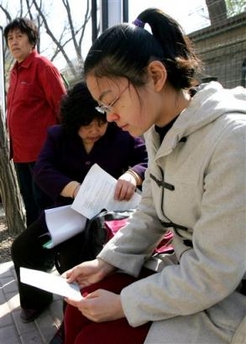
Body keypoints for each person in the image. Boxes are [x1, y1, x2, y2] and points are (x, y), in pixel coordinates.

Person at [63, 8, 246, 344]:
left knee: (96, 337)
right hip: (183, 272)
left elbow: (216, 272)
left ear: (155, 75)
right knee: (78, 306)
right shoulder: (158, 131)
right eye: (103, 108)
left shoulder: (233, 139)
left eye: (111, 100)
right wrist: (105, 262)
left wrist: (125, 304)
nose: (111, 117)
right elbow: (150, 211)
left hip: (227, 298)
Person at [11, 81, 148, 325]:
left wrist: (132, 175)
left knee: (75, 264)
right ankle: (37, 300)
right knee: (23, 248)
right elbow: (42, 169)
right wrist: (74, 189)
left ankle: (73, 321)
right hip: (66, 213)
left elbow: (147, 158)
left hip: (103, 217)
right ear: (73, 122)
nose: (94, 131)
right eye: (86, 126)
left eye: (100, 123)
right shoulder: (57, 136)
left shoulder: (121, 134)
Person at [4, 18, 66, 226]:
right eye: (10, 38)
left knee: (45, 205)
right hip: (21, 154)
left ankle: (50, 255)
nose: (14, 42)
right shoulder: (14, 71)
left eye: (19, 36)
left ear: (32, 40)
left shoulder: (42, 66)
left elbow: (62, 107)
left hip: (42, 154)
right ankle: (36, 256)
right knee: (31, 205)